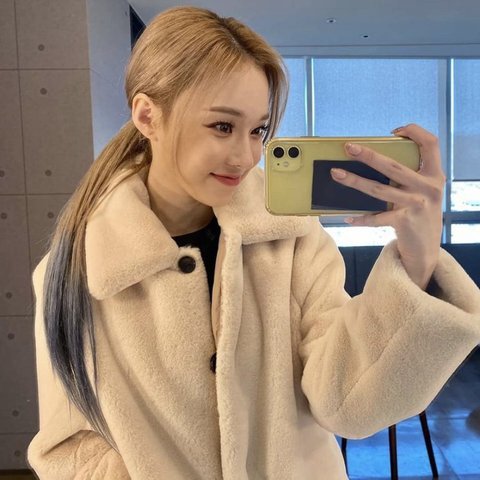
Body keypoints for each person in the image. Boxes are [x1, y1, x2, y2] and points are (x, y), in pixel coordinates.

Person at [27, 6, 480, 480]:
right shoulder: (80, 269)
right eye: (223, 126)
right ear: (147, 116)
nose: (246, 156)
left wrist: (418, 258)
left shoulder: (293, 239)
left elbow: (348, 404)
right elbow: (69, 446)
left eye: (258, 130)